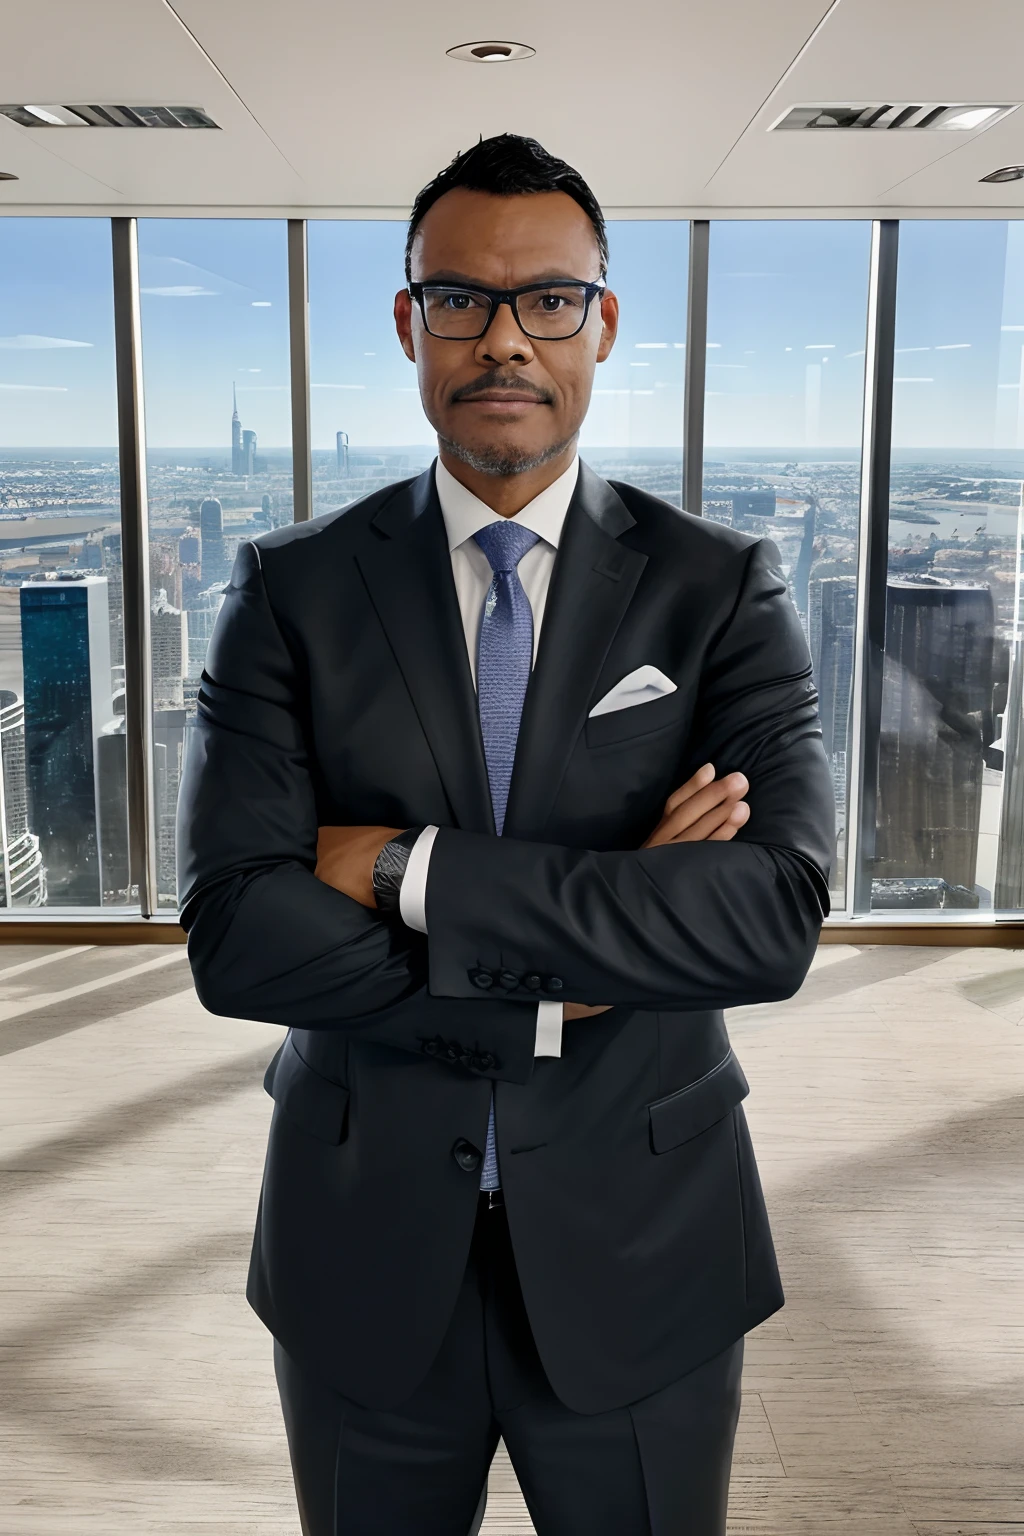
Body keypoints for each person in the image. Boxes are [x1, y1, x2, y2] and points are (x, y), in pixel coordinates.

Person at [177, 133, 834, 1536]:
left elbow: (768, 916)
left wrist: (406, 876)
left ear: (601, 322)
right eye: (462, 300)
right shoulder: (291, 593)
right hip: (360, 1251)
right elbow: (237, 935)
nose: (504, 340)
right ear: (412, 324)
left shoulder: (720, 593)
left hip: (644, 1248)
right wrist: (594, 944)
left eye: (547, 300)